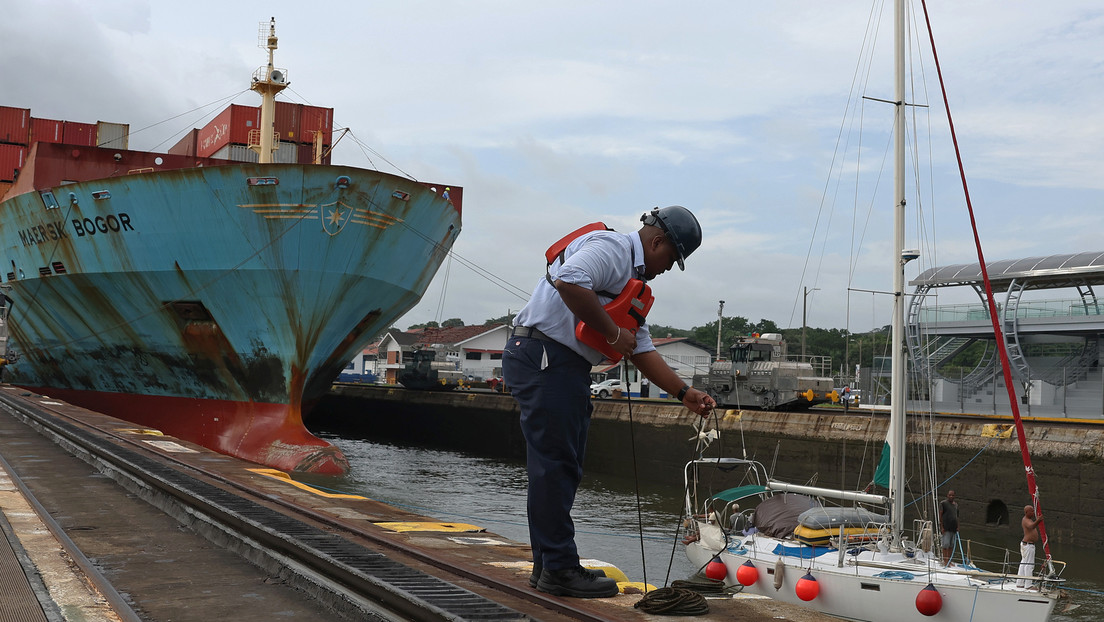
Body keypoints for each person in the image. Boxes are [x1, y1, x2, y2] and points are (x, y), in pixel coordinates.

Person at [504, 206, 716, 598]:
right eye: (673, 257)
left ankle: (548, 565)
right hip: (544, 356)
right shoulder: (613, 248)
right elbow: (567, 278)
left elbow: (640, 348)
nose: (669, 268)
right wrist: (612, 331)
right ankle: (560, 568)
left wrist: (685, 394)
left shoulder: (633, 284)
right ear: (657, 241)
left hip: (562, 365)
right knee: (554, 466)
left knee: (560, 466)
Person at [1017, 504, 1043, 589]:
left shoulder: (1028, 519)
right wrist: (1038, 520)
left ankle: (1020, 583)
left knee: (1023, 563)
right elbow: (1031, 526)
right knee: (1029, 565)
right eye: (1031, 511)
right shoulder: (1026, 520)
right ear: (1026, 512)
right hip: (1028, 545)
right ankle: (1028, 585)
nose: (1033, 512)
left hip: (1026, 545)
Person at [939, 490, 958, 565]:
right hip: (946, 527)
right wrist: (942, 527)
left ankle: (949, 561)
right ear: (947, 495)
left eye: (952, 495)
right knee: (945, 545)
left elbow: (957, 516)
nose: (951, 497)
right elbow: (940, 515)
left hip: (953, 528)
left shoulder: (956, 505)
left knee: (951, 545)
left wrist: (958, 527)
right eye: (950, 495)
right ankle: (945, 561)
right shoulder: (943, 503)